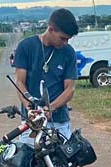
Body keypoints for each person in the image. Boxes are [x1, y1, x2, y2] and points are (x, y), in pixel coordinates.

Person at [13, 9, 79, 143]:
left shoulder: (68, 52)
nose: (66, 42)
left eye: (68, 39)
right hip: (32, 123)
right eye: (63, 38)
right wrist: (29, 107)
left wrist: (51, 108)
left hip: (59, 122)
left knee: (59, 163)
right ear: (51, 29)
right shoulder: (26, 47)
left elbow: (70, 89)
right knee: (29, 162)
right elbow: (20, 82)